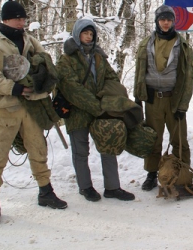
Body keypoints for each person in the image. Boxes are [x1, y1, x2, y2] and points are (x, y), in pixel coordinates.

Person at [0, 0, 67, 228]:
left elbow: (46, 65)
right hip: (5, 107)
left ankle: (45, 192)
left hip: (31, 105)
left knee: (38, 149)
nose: (21, 21)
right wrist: (16, 88)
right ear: (5, 19)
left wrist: (40, 80)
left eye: (23, 17)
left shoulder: (30, 40)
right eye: (17, 17)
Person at [56, 18, 135, 202]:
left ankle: (113, 187)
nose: (89, 37)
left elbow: (111, 79)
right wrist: (96, 105)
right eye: (85, 33)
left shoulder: (98, 57)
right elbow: (72, 88)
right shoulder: (66, 60)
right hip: (77, 112)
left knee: (108, 145)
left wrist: (110, 100)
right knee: (80, 151)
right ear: (77, 34)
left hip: (100, 110)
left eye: (91, 34)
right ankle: (85, 187)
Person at [134, 5, 193, 191]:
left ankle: (182, 173)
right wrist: (138, 97)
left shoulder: (182, 45)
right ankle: (152, 173)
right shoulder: (146, 44)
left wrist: (183, 105)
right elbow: (139, 72)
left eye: (169, 19)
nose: (166, 23)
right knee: (153, 139)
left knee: (179, 140)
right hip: (153, 100)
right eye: (162, 19)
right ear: (157, 21)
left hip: (174, 99)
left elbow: (189, 76)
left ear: (173, 21)